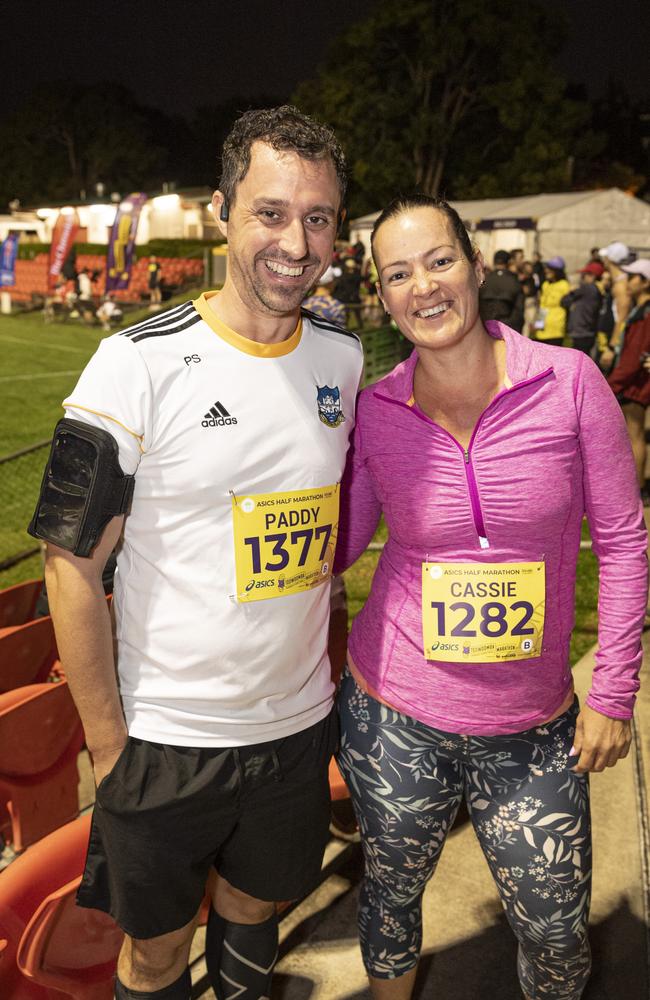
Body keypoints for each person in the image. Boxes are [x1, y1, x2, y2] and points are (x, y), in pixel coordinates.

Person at [29, 105, 363, 1000]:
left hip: (294, 731)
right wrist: (109, 743)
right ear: (221, 211)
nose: (296, 241)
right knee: (157, 956)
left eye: (319, 217)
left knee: (256, 913)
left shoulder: (341, 356)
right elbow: (71, 563)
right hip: (168, 739)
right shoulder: (131, 364)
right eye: (270, 212)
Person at [333, 194, 647, 1000]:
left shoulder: (570, 382)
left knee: (553, 929)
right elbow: (337, 549)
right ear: (382, 294)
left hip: (532, 729)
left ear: (476, 267)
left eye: (439, 261)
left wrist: (611, 693)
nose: (424, 287)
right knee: (393, 901)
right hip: (393, 712)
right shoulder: (377, 409)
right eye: (398, 273)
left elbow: (622, 539)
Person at [607, 259, 650, 496]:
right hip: (631, 382)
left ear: (645, 283)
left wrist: (611, 384)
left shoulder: (645, 312)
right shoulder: (638, 309)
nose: (629, 282)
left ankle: (637, 490)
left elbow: (635, 354)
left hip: (636, 384)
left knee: (635, 435)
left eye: (634, 277)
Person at [560, 261, 603, 355]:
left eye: (585, 275)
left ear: (592, 276)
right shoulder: (596, 290)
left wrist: (572, 290)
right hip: (587, 331)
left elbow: (564, 301)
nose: (582, 278)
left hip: (581, 333)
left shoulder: (587, 288)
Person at [479, 249, 524, 331]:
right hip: (507, 327)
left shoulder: (484, 280)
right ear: (509, 262)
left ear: (494, 261)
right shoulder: (515, 282)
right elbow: (519, 311)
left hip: (485, 327)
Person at [534, 256, 570, 345]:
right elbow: (542, 306)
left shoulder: (564, 285)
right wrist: (539, 324)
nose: (546, 270)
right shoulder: (545, 285)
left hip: (555, 330)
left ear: (557, 271)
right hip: (542, 331)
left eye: (550, 268)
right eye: (546, 268)